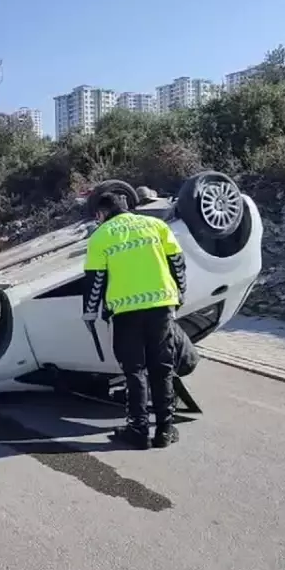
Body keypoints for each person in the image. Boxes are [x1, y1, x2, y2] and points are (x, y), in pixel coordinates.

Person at [81, 192, 187, 449]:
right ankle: (165, 430)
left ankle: (138, 430)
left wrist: (90, 314)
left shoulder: (101, 236)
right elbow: (177, 261)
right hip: (161, 307)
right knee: (162, 368)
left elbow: (95, 280)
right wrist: (180, 293)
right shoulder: (157, 226)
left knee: (135, 370)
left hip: (126, 312)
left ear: (102, 213)